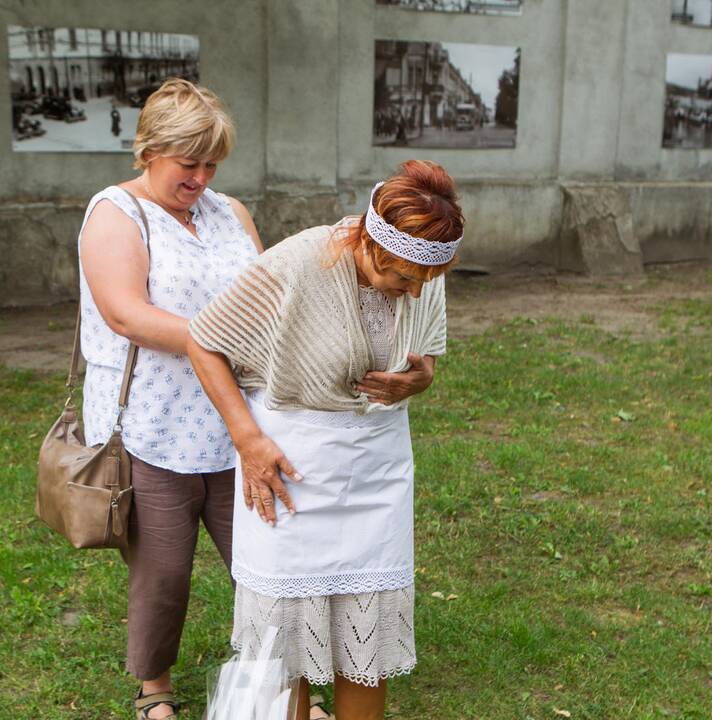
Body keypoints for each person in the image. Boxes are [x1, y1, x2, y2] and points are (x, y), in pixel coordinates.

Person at [187, 160, 462, 720]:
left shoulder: (422, 269)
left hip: (378, 469)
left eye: (423, 281)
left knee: (368, 643)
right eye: (402, 278)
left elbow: (425, 347)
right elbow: (204, 340)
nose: (413, 291)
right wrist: (247, 439)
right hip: (293, 469)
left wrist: (422, 376)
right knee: (287, 647)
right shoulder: (297, 262)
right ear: (369, 242)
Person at [76, 77, 263, 720]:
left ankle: (280, 684)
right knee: (163, 573)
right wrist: (219, 338)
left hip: (237, 421)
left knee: (266, 565)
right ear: (150, 149)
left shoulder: (230, 212)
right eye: (190, 163)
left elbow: (266, 299)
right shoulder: (114, 214)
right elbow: (127, 315)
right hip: (152, 425)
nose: (202, 177)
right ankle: (153, 690)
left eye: (213, 163)